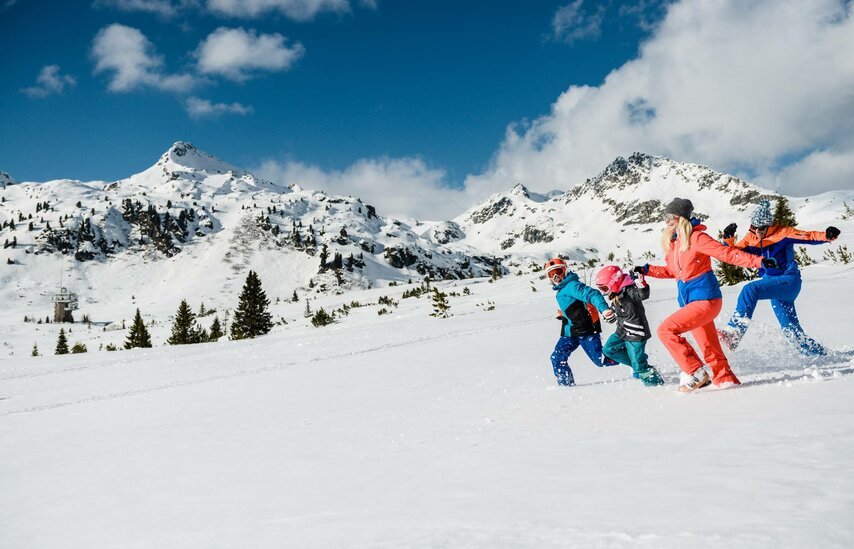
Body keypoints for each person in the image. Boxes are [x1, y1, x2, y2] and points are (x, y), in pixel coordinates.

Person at [634, 198, 772, 392]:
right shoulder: (676, 244)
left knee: (666, 330)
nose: (666, 221)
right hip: (692, 302)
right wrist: (648, 270)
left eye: (669, 216)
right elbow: (675, 272)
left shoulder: (697, 238)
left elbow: (727, 254)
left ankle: (695, 371)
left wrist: (759, 262)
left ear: (680, 217)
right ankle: (725, 379)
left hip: (705, 300)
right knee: (709, 347)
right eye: (664, 217)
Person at [717, 199, 841, 355]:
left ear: (770, 226)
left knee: (750, 289)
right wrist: (728, 239)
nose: (757, 232)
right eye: (754, 228)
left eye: (761, 228)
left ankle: (734, 332)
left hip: (789, 281)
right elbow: (734, 254)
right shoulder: (751, 237)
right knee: (790, 330)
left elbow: (808, 236)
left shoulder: (783, 233)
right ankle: (820, 355)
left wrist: (827, 235)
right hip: (772, 284)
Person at [545, 258, 618, 386]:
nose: (556, 277)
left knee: (601, 361)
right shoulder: (562, 290)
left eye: (558, 272)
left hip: (586, 331)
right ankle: (566, 386)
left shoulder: (572, 285)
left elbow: (593, 294)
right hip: (570, 332)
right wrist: (564, 314)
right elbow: (575, 306)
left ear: (565, 270)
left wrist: (604, 309)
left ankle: (632, 358)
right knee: (557, 357)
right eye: (552, 274)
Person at [594, 265, 664, 387]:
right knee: (608, 350)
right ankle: (641, 366)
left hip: (635, 333)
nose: (604, 292)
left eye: (605, 288)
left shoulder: (629, 290)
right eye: (601, 289)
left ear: (614, 282)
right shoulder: (616, 292)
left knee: (638, 365)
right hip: (622, 331)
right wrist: (609, 314)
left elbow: (642, 294)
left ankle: (655, 385)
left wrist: (640, 282)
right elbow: (619, 310)